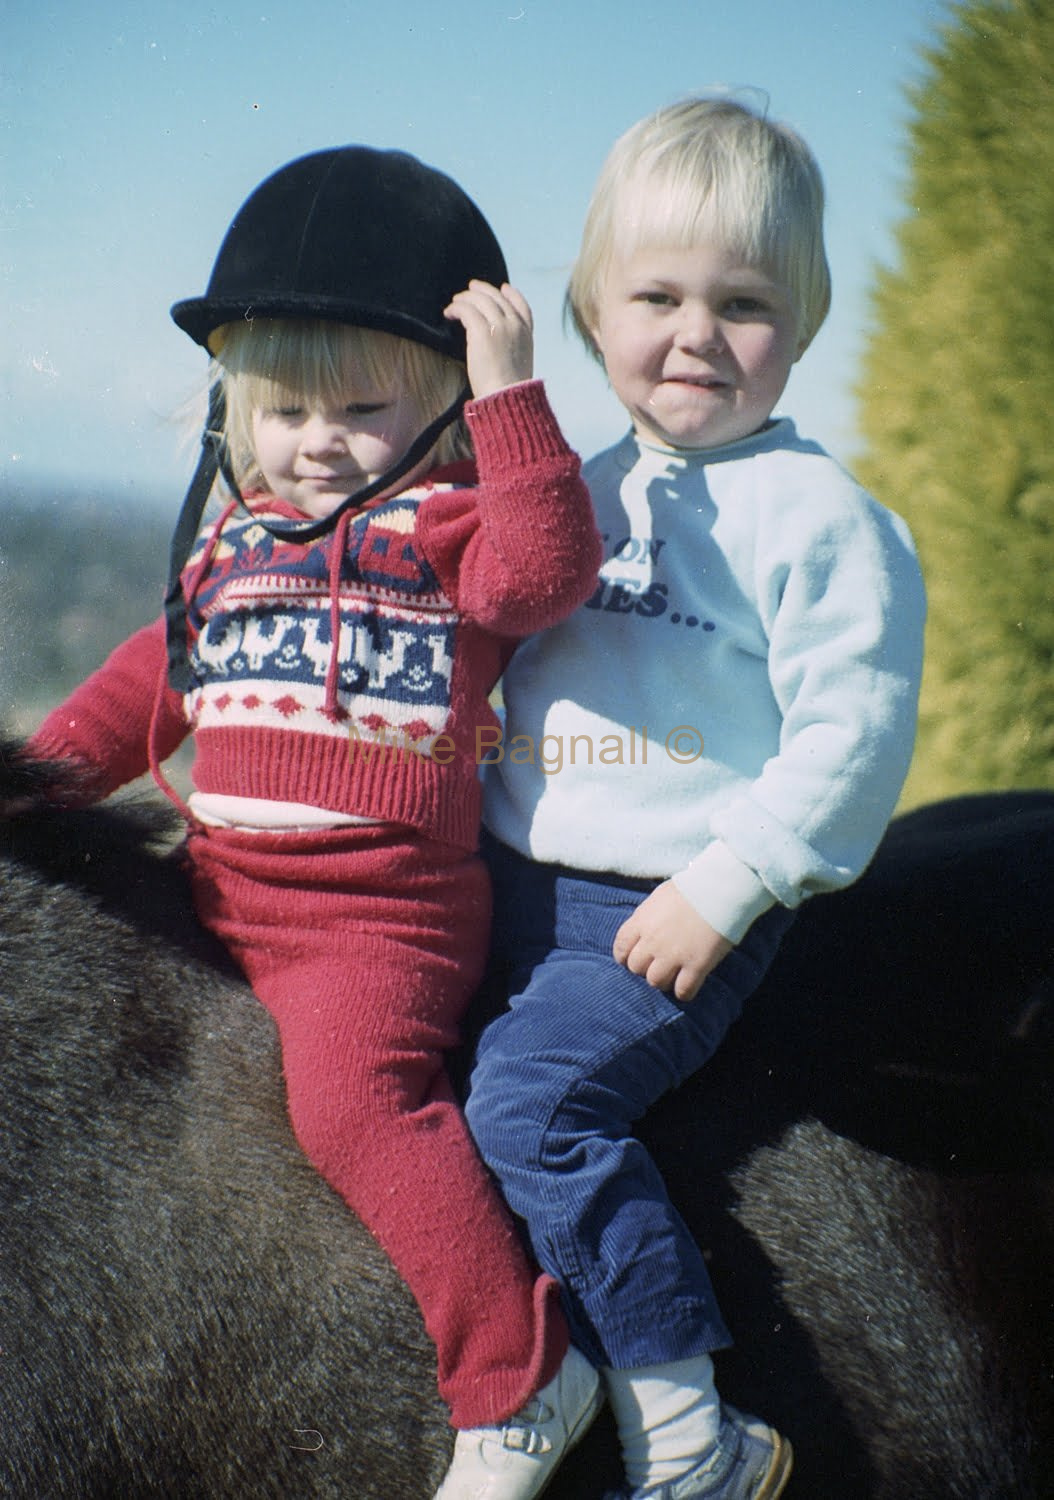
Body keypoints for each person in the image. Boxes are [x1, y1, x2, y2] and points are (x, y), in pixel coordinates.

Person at [25, 145, 605, 1499]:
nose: (316, 440)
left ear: (440, 406)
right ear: (238, 407)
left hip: (373, 926)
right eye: (284, 409)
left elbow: (546, 575)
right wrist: (32, 784)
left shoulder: (449, 529)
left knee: (354, 1106)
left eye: (358, 406)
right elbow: (139, 692)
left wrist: (516, 402)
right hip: (220, 883)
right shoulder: (233, 548)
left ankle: (521, 1379)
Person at [464, 97, 928, 1500]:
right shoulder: (578, 491)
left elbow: (851, 739)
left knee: (532, 1109)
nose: (693, 336)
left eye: (743, 304)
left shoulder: (824, 523)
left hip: (661, 908)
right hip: (512, 879)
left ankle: (689, 1437)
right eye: (654, 295)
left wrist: (723, 888)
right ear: (591, 311)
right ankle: (486, 1380)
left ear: (804, 321)